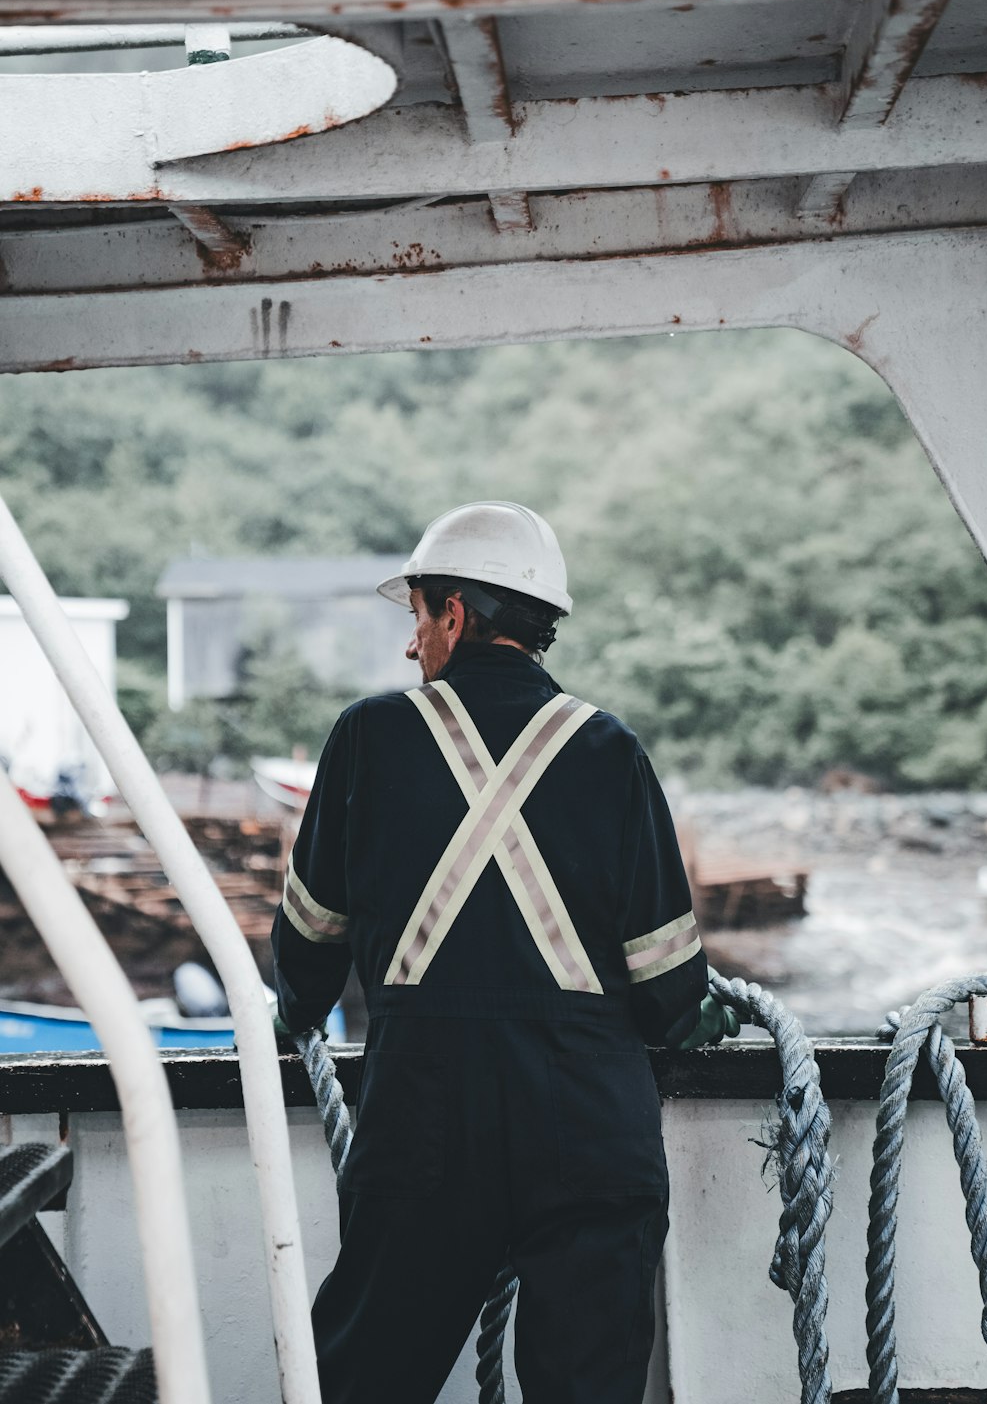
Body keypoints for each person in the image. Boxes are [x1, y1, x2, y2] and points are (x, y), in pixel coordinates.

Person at [271, 501, 736, 1404]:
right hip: (590, 1128)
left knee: (364, 1382)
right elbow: (671, 990)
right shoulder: (611, 748)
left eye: (416, 616)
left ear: (453, 611)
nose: (412, 645)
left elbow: (306, 956)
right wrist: (699, 1012)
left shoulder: (366, 738)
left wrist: (294, 999)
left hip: (423, 1125)